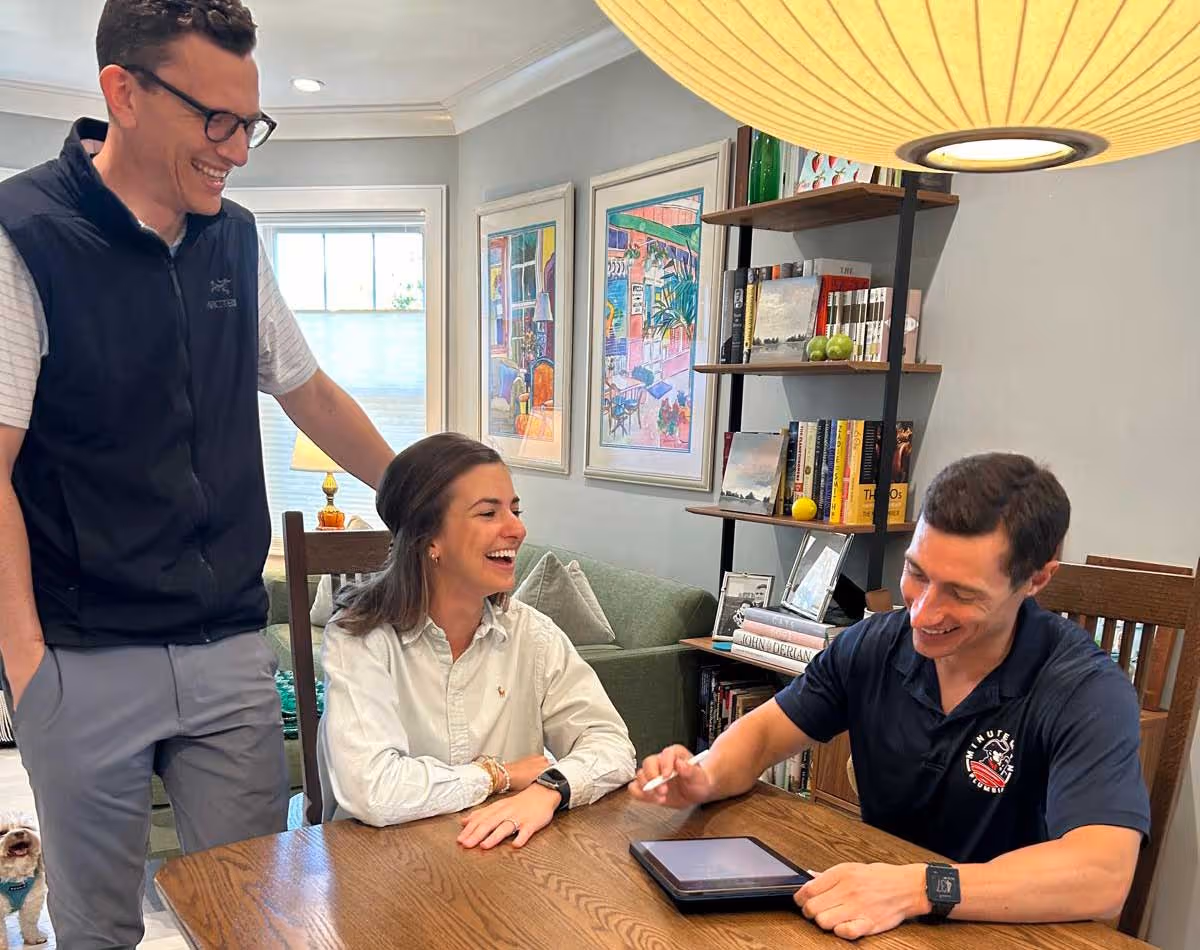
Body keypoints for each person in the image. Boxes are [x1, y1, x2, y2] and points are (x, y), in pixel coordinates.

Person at [0, 2, 393, 946]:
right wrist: (28, 669)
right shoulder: (25, 235)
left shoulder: (233, 238)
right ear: (123, 92)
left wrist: (424, 491)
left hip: (226, 649)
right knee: (98, 930)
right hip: (82, 656)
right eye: (215, 121)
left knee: (254, 917)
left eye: (250, 123)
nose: (238, 151)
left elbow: (308, 392)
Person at [631, 453, 1150, 940]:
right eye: (917, 573)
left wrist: (919, 887)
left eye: (962, 593)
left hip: (1013, 931)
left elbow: (1103, 875)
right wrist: (705, 776)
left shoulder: (1087, 690)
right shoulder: (874, 644)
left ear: (1037, 579)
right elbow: (765, 735)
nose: (922, 613)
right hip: (880, 920)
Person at [318, 433, 637, 849]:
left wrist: (550, 788)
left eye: (515, 510)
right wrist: (498, 775)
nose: (517, 529)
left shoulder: (533, 634)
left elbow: (612, 745)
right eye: (488, 513)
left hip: (500, 860)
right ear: (429, 539)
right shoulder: (360, 639)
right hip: (380, 864)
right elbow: (373, 789)